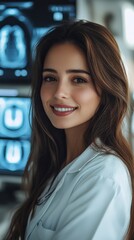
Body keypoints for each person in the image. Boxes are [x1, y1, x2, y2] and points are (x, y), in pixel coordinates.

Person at [5, 20, 134, 240]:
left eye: (78, 79)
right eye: (50, 78)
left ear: (106, 88)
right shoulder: (56, 161)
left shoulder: (104, 178)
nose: (59, 92)